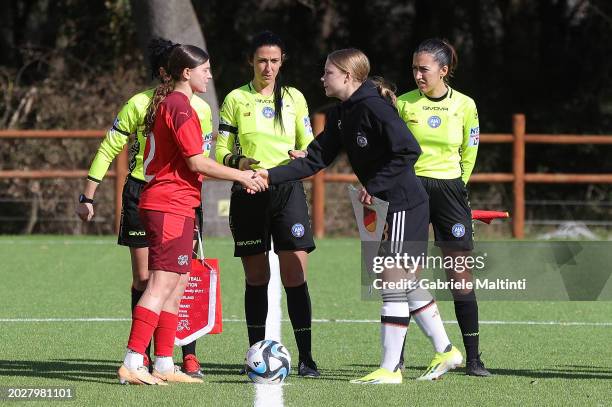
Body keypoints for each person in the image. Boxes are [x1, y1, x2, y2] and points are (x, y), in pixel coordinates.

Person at [257, 48, 462, 384]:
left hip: (403, 205)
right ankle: (446, 350)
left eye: (328, 73)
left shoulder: (373, 107)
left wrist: (377, 186)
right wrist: (268, 175)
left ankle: (391, 368)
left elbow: (409, 150)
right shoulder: (343, 112)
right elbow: (315, 159)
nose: (322, 78)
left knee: (392, 282)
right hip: (390, 205)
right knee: (403, 282)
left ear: (348, 77)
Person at [117, 44, 266, 385]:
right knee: (160, 283)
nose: (210, 75)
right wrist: (243, 176)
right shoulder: (179, 107)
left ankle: (165, 363)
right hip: (168, 204)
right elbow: (196, 162)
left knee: (178, 284)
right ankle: (132, 361)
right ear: (187, 73)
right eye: (205, 70)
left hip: (179, 204)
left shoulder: (174, 103)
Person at [76, 38, 211, 379]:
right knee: (148, 279)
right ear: (174, 71)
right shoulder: (142, 103)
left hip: (182, 196)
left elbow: (202, 160)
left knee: (178, 279)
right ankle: (139, 358)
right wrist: (88, 195)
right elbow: (110, 148)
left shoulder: (200, 108)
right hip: (146, 192)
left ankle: (174, 359)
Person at [215, 30, 320, 378]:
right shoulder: (235, 99)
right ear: (251, 61)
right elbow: (218, 151)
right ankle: (255, 354)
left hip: (287, 191)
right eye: (262, 60)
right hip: (248, 192)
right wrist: (241, 165)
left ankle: (306, 357)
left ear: (282, 62)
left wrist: (302, 154)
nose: (268, 67)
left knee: (295, 273)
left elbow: (309, 145)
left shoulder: (294, 98)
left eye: (274, 61)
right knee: (256, 277)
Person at [396, 38, 490, 377]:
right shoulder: (403, 104)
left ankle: (474, 358)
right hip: (412, 191)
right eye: (414, 69)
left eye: (424, 69)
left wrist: (458, 183)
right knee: (405, 273)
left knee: (460, 275)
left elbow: (471, 148)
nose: (418, 75)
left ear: (443, 71)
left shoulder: (465, 105)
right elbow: (393, 150)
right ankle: (396, 357)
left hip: (450, 190)